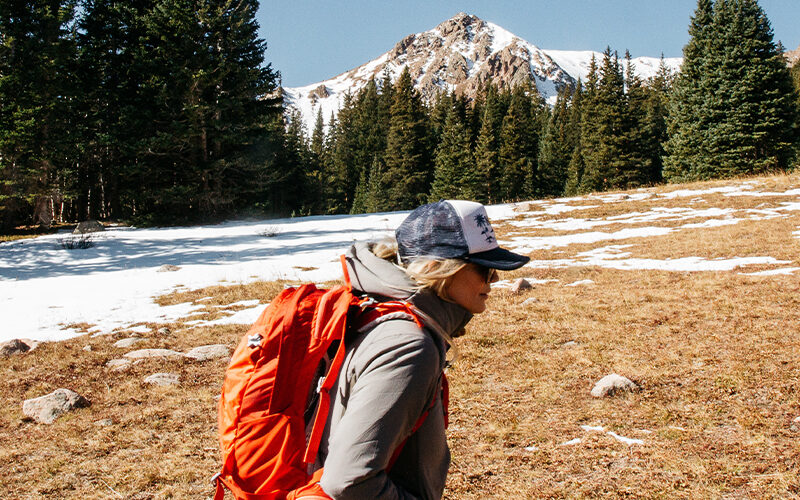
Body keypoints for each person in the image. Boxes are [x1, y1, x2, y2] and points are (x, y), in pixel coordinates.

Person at [313, 199, 530, 499]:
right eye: (483, 268)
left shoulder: (384, 313)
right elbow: (349, 481)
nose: (494, 278)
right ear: (436, 268)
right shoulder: (408, 345)